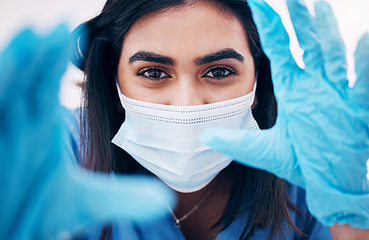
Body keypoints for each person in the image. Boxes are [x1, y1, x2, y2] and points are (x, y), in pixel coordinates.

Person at [0, 0, 368, 239]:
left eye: (220, 71)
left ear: (258, 82)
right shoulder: (52, 151)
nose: (186, 106)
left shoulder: (307, 169)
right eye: (154, 73)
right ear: (113, 81)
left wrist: (350, 210)